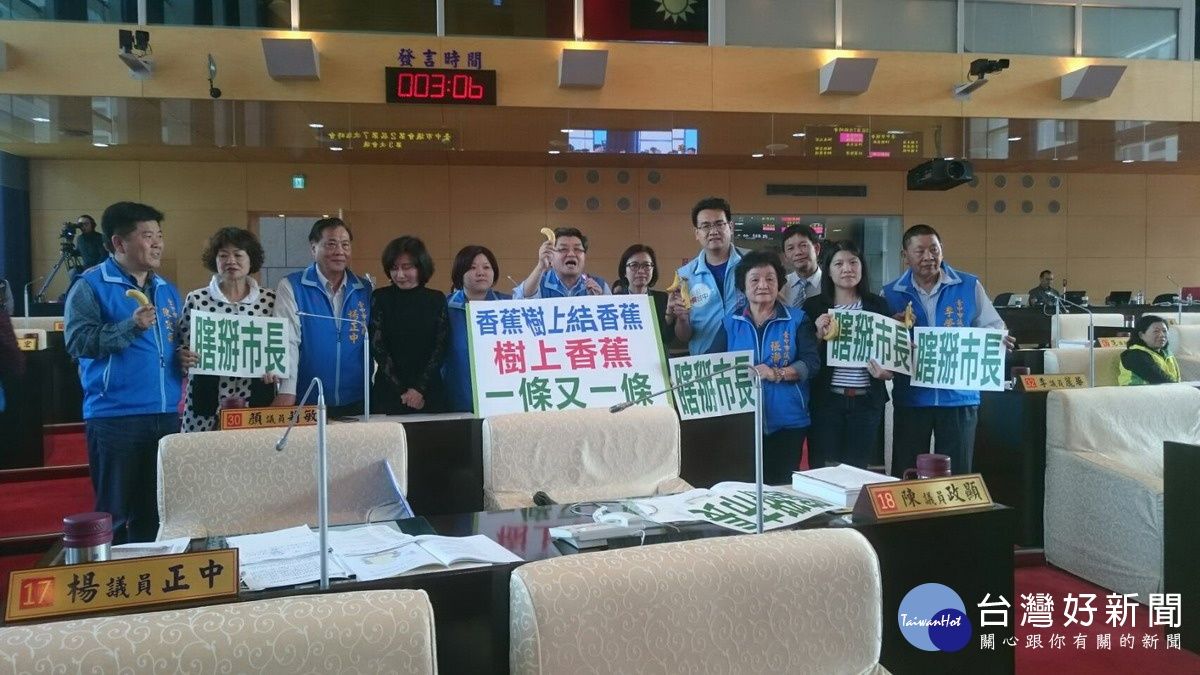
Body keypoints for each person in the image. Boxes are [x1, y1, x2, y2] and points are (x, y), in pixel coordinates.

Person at [64, 201, 183, 543]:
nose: (157, 243)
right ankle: (111, 588)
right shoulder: (91, 285)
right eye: (148, 236)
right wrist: (129, 327)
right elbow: (78, 342)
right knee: (113, 515)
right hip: (116, 416)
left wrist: (183, 357)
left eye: (159, 235)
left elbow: (167, 346)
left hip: (164, 414)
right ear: (119, 243)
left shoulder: (166, 289)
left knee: (157, 512)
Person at [882, 224, 1012, 478]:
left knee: (958, 473)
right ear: (904, 255)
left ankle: (953, 519)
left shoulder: (968, 285)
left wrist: (998, 340)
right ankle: (908, 519)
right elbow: (882, 343)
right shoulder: (889, 293)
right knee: (907, 471)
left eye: (934, 250)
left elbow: (993, 326)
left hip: (959, 397)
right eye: (919, 251)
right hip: (912, 398)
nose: (928, 257)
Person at [711, 249, 820, 485]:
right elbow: (711, 366)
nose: (763, 285)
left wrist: (776, 373)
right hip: (742, 424)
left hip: (788, 421)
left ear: (779, 283)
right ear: (743, 286)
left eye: (770, 279)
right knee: (745, 487)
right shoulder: (730, 324)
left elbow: (811, 364)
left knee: (781, 488)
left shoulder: (797, 319)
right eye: (755, 279)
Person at [178, 227, 277, 432]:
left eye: (238, 255)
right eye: (223, 255)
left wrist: (275, 365)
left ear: (251, 259)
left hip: (256, 396)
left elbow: (280, 346)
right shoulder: (197, 299)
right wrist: (183, 355)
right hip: (207, 399)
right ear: (215, 261)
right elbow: (182, 343)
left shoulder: (270, 300)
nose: (231, 261)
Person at [804, 240, 892, 470]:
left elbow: (891, 351)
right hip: (827, 402)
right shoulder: (813, 307)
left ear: (862, 267)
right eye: (839, 263)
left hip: (866, 402)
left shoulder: (878, 306)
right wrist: (817, 335)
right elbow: (803, 355)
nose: (847, 269)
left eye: (853, 262)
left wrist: (888, 372)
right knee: (823, 470)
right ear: (829, 271)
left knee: (858, 470)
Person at [272, 217, 372, 416]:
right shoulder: (293, 286)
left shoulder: (364, 288)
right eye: (331, 244)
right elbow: (287, 340)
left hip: (357, 398)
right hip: (306, 398)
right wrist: (287, 391)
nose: (339, 252)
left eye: (345, 245)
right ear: (313, 248)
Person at [371, 236, 449, 414]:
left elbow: (441, 347)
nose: (400, 275)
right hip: (389, 391)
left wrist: (419, 389)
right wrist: (403, 391)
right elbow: (378, 346)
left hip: (429, 390)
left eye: (407, 267)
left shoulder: (436, 299)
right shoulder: (380, 297)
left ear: (421, 267)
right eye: (394, 268)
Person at [669, 197, 745, 355]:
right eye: (705, 226)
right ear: (697, 233)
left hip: (748, 359)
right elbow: (684, 337)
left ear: (730, 227)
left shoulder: (752, 264)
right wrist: (682, 319)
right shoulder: (684, 276)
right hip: (706, 366)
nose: (713, 231)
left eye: (719, 224)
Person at [444, 245, 510, 413]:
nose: (481, 272)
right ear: (460, 274)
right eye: (472, 268)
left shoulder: (508, 305)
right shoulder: (444, 306)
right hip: (456, 396)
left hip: (501, 398)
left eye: (486, 267)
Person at [514, 226, 609, 298]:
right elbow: (520, 301)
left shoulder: (600, 285)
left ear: (584, 256)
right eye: (563, 249)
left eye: (577, 249)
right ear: (550, 256)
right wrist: (541, 266)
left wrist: (600, 300)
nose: (571, 254)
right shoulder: (538, 283)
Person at [614, 244, 673, 347]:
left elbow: (667, 338)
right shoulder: (615, 301)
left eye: (646, 265)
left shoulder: (662, 299)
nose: (641, 271)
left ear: (653, 269)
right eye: (634, 265)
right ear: (624, 271)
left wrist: (669, 315)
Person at [1118, 315, 1180, 385]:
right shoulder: (1134, 355)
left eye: (1164, 331)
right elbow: (1158, 378)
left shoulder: (1167, 353)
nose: (1162, 335)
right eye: (1156, 331)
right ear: (1141, 335)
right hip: (1136, 394)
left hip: (1165, 392)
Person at [780, 223, 822, 308]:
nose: (798, 252)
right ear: (785, 256)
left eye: (803, 245)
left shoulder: (832, 283)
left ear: (816, 248)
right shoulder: (780, 285)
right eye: (790, 248)